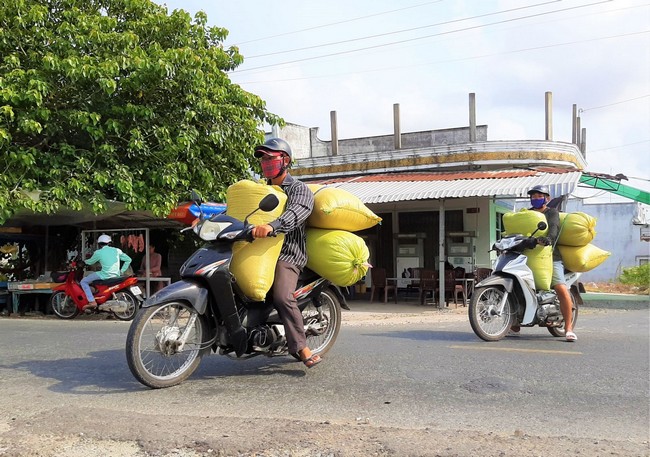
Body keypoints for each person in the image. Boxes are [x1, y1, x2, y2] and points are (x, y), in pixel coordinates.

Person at [251, 137, 321, 368]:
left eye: (270, 158)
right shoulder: (259, 189)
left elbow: (296, 213)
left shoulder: (299, 189)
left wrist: (273, 226)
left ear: (285, 160)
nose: (265, 162)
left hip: (287, 254)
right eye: (262, 158)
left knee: (282, 297)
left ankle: (302, 347)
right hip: (259, 251)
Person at [510, 185, 577, 342]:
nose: (535, 199)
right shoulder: (527, 214)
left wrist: (548, 239)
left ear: (547, 198)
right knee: (516, 284)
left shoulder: (551, 213)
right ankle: (514, 323)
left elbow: (553, 229)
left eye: (539, 196)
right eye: (533, 196)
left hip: (550, 256)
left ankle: (568, 328)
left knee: (560, 287)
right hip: (528, 255)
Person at [81, 234, 132, 312]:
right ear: (109, 243)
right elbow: (128, 259)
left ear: (99, 244)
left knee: (84, 281)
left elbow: (90, 262)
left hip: (104, 275)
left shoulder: (98, 252)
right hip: (116, 275)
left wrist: (82, 263)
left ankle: (92, 301)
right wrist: (121, 271)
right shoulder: (117, 250)